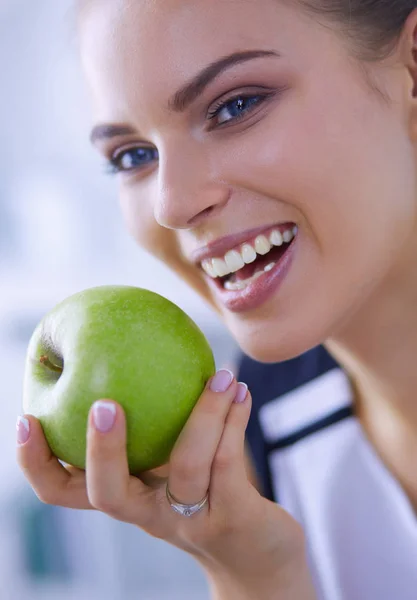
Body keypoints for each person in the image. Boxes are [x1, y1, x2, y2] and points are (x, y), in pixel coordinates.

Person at [15, 0, 417, 598]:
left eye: (235, 106)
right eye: (133, 156)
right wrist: (249, 571)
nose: (171, 205)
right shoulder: (255, 431)